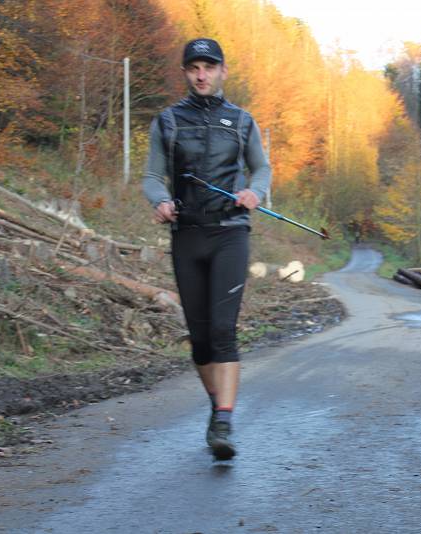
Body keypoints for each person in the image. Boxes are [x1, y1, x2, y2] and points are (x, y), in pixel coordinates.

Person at [142, 38, 272, 460]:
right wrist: (159, 201)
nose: (202, 74)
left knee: (222, 329)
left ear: (223, 71)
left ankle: (224, 420)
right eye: (194, 67)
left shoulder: (242, 120)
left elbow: (262, 168)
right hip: (187, 235)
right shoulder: (167, 122)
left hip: (230, 232)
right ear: (185, 72)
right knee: (199, 340)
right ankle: (218, 408)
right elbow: (152, 176)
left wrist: (255, 192)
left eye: (209, 67)